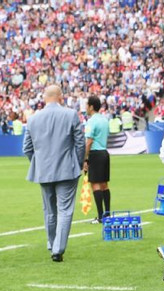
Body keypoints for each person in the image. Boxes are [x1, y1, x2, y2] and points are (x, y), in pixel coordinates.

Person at [22, 84, 86, 263]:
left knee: (50, 211)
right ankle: (58, 249)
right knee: (65, 210)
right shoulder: (70, 114)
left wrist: (39, 164)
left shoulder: (33, 119)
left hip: (44, 171)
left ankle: (52, 244)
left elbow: (26, 148)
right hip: (67, 169)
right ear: (60, 96)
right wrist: (78, 163)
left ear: (45, 98)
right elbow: (80, 143)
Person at [83, 95, 112, 224]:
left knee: (95, 184)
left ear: (91, 106)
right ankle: (107, 214)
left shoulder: (92, 121)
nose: (85, 108)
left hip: (95, 153)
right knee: (104, 184)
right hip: (104, 153)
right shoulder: (104, 120)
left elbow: (89, 142)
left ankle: (101, 216)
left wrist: (85, 159)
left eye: (86, 105)